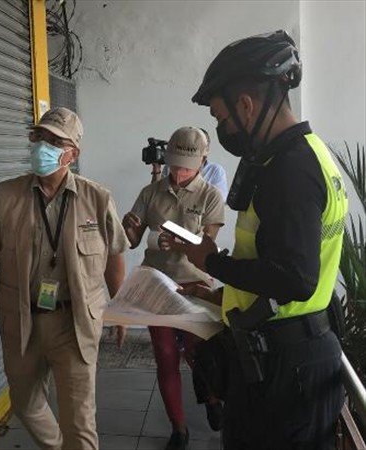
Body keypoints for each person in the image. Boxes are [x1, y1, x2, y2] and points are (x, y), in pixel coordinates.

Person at [163, 30, 348, 450]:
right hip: (295, 352)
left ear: (246, 106)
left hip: (287, 373)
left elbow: (294, 277)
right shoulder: (310, 152)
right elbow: (287, 266)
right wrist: (221, 294)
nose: (220, 127)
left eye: (220, 117)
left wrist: (212, 262)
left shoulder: (290, 170)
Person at [0, 107, 129, 449]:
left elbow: (114, 255)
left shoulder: (97, 198)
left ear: (73, 153)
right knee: (24, 403)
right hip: (21, 321)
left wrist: (121, 309)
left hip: (74, 323)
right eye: (39, 138)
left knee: (79, 421)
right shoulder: (7, 195)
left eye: (55, 141)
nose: (43, 146)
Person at [123, 126, 225, 450]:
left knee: (200, 351)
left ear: (202, 161)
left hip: (196, 284)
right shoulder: (150, 193)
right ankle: (178, 429)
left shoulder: (211, 195)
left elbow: (209, 247)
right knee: (166, 355)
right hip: (158, 283)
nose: (178, 173)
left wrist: (181, 240)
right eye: (174, 165)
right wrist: (129, 227)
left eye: (186, 167)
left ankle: (211, 397)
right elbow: (133, 241)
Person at [151, 128, 229, 200]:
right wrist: (156, 169)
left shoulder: (216, 170)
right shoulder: (171, 166)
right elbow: (155, 195)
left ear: (207, 149)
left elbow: (219, 200)